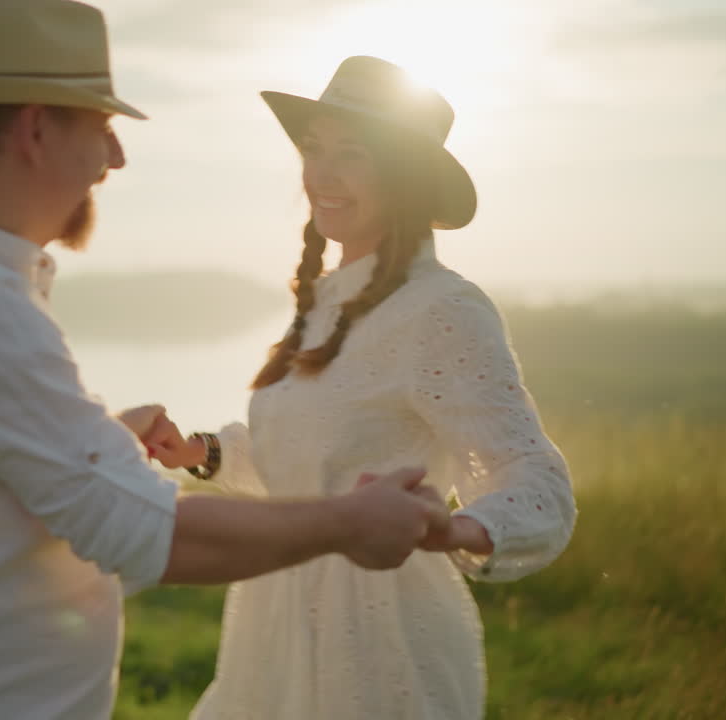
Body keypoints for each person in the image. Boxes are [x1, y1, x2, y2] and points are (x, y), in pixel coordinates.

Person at [0, 5, 450, 719]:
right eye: (101, 129)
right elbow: (156, 537)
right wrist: (350, 522)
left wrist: (94, 447)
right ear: (36, 129)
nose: (116, 158)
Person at [147, 56, 578, 719]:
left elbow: (539, 486)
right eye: (314, 148)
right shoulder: (323, 303)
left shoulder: (443, 310)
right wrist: (201, 452)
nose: (320, 173)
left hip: (383, 646)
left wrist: (452, 527)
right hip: (273, 627)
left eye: (352, 153)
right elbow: (312, 469)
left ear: (404, 176)